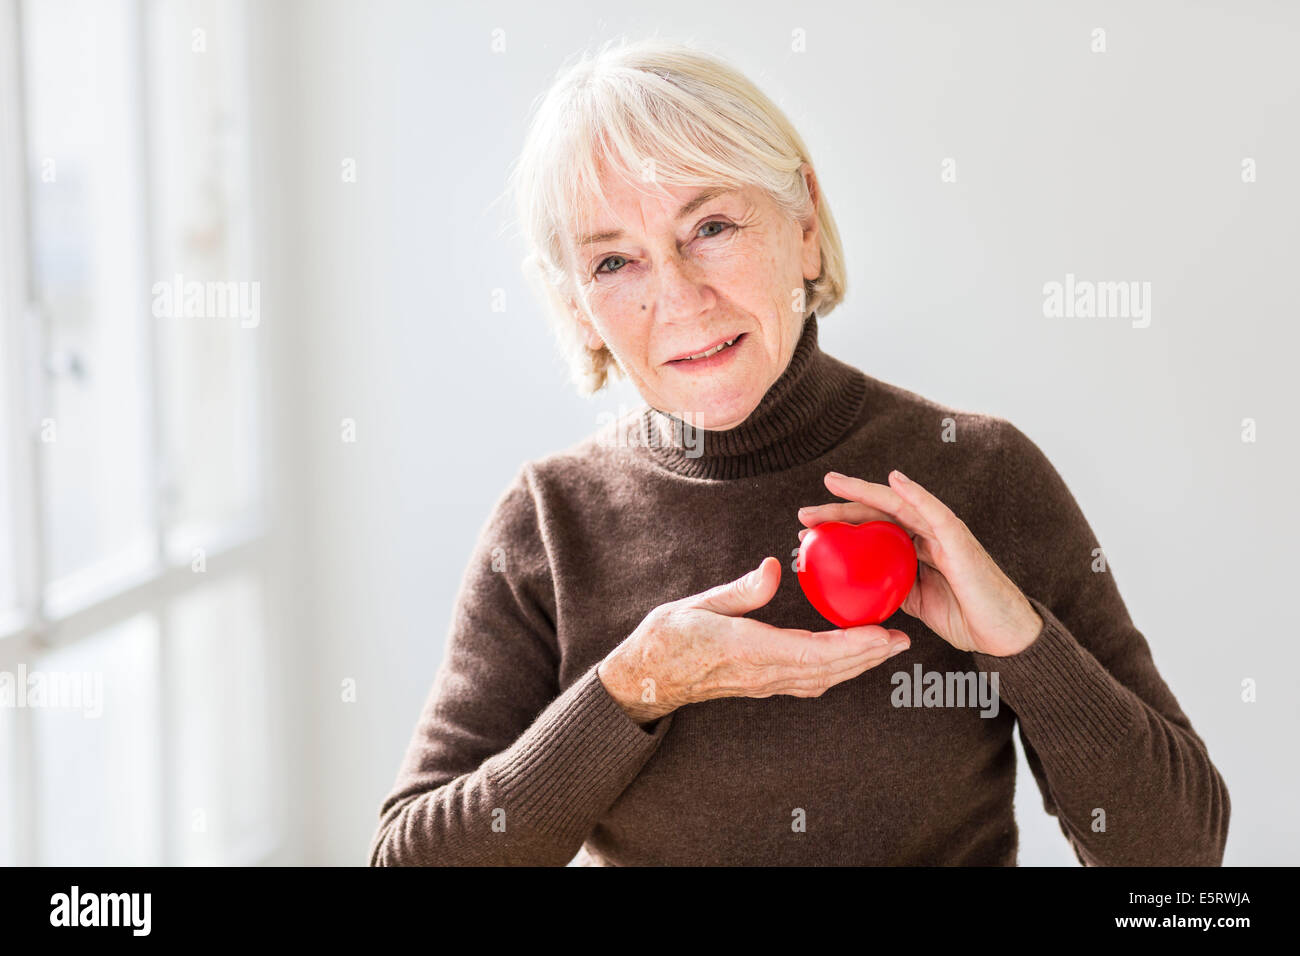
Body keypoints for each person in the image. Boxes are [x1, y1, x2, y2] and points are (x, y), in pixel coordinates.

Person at [368, 37, 1229, 866]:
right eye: (614, 262)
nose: (678, 297)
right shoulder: (550, 523)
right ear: (578, 303)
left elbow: (1180, 858)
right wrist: (636, 687)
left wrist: (1022, 643)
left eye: (710, 226)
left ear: (804, 223)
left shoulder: (980, 473)